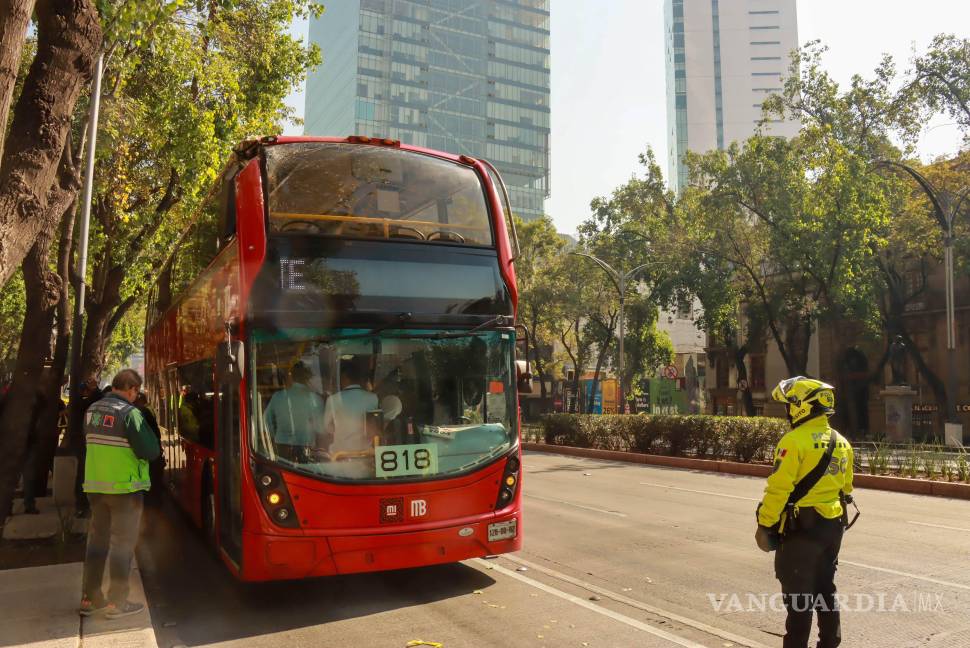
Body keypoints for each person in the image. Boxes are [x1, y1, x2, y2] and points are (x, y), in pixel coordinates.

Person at [755, 376, 855, 648]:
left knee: (799, 600)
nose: (788, 410)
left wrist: (765, 523)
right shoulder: (842, 442)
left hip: (801, 530)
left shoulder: (793, 441)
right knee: (826, 590)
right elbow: (846, 487)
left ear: (802, 406)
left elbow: (779, 489)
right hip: (833, 527)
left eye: (790, 405)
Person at [79, 369, 160, 620]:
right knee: (122, 545)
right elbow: (151, 450)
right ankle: (117, 602)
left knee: (97, 543)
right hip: (124, 489)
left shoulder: (92, 411)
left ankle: (90, 599)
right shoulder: (129, 414)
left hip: (95, 488)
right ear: (132, 389)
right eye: (137, 391)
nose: (136, 396)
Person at [264, 361, 327, 458]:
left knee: (283, 467)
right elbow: (320, 428)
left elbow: (266, 421)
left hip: (282, 447)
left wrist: (273, 436)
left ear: (291, 377)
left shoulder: (278, 397)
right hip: (307, 447)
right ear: (307, 378)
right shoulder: (315, 399)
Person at [324, 356, 379, 453]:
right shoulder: (373, 398)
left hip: (340, 453)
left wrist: (340, 430)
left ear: (344, 377)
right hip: (365, 452)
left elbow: (327, 427)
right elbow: (375, 425)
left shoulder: (333, 399)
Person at [134, 392, 164, 507]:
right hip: (151, 452)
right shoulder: (145, 411)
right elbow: (156, 433)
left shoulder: (132, 413)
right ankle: (155, 502)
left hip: (141, 454)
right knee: (154, 479)